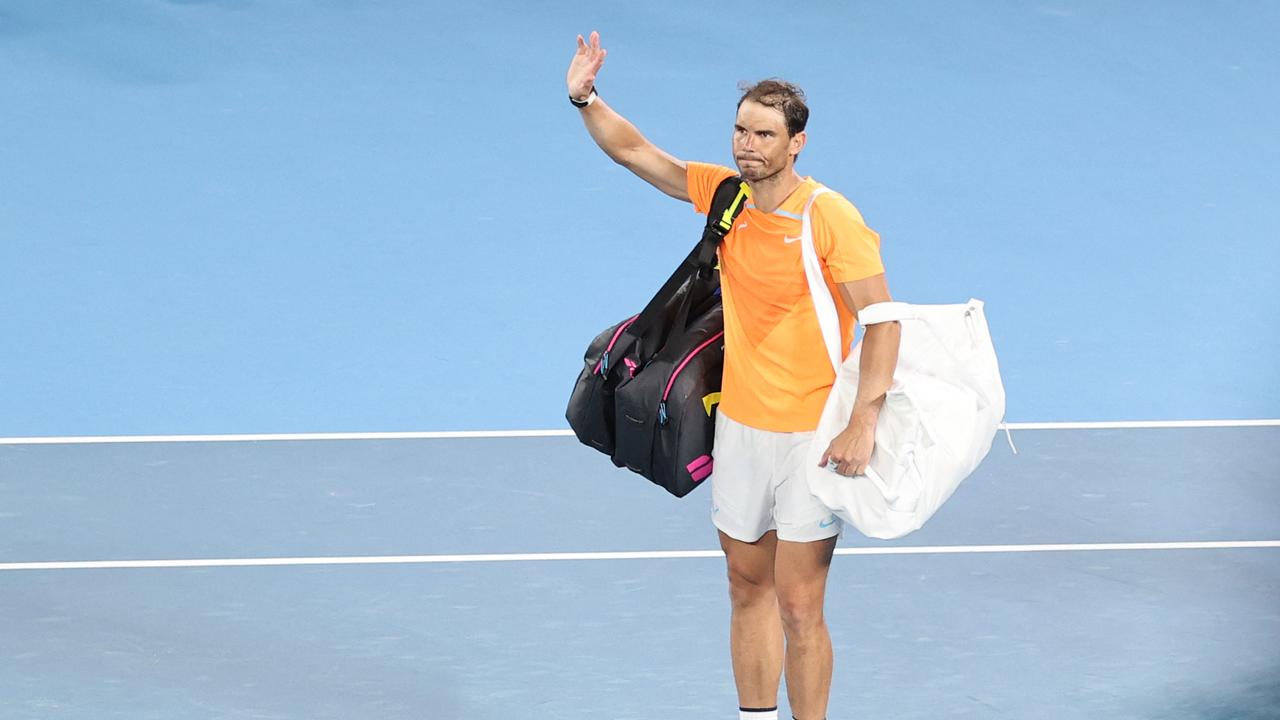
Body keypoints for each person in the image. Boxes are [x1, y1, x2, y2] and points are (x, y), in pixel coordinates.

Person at [566, 31, 901, 720]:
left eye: (764, 134)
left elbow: (884, 321)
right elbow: (639, 154)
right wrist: (585, 97)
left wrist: (864, 418)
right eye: (740, 130)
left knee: (801, 606)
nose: (747, 145)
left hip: (814, 435)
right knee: (745, 587)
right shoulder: (726, 196)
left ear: (796, 143)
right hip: (741, 428)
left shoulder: (830, 218)